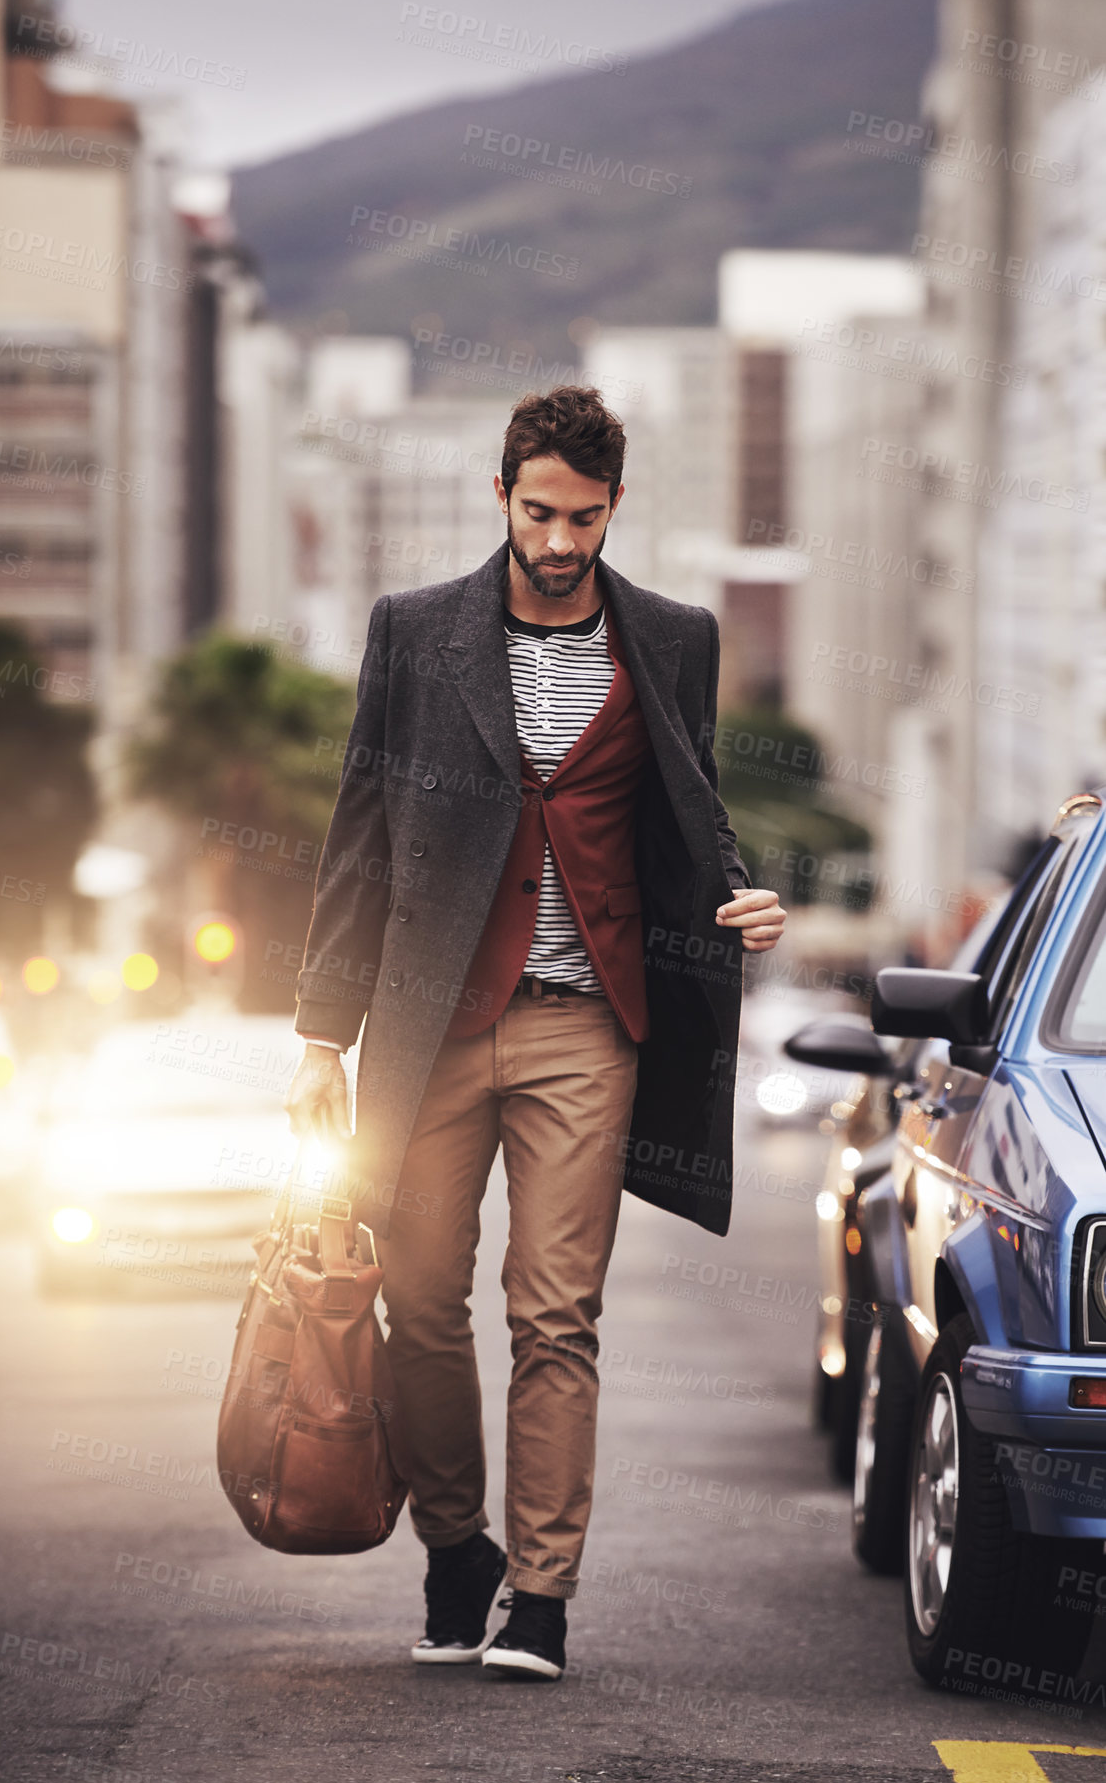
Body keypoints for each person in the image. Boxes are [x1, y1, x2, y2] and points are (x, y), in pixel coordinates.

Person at [286, 384, 786, 1681]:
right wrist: (320, 1035)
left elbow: (692, 804)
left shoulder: (673, 638)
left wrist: (744, 892)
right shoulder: (415, 632)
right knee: (419, 1297)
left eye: (586, 516)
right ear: (501, 495)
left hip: (587, 1024)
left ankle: (544, 1595)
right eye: (540, 512)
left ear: (616, 508)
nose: (562, 540)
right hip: (433, 1023)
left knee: (556, 1313)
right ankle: (459, 1548)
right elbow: (360, 827)